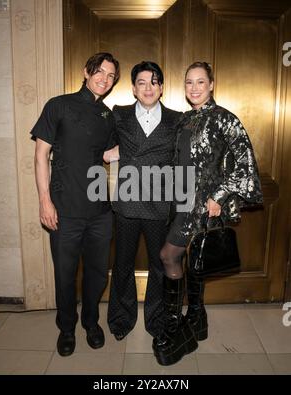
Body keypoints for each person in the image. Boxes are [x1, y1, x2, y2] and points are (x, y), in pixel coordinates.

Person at [153, 61, 263, 365]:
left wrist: (219, 195)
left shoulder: (225, 119)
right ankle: (197, 318)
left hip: (203, 203)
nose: (194, 88)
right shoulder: (186, 119)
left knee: (168, 255)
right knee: (193, 261)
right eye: (189, 82)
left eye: (200, 82)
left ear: (211, 84)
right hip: (181, 199)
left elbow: (245, 163)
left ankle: (174, 326)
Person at [31, 52, 120, 356]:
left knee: (97, 274)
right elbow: (41, 154)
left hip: (99, 213)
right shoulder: (59, 105)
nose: (104, 79)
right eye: (100, 72)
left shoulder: (108, 116)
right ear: (86, 71)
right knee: (65, 274)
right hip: (65, 210)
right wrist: (45, 200)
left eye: (110, 76)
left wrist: (145, 147)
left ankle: (91, 323)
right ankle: (67, 328)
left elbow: (107, 155)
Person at [104, 61, 189, 343]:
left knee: (158, 266)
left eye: (154, 82)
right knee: (123, 264)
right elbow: (101, 145)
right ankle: (120, 319)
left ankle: (156, 321)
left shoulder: (178, 119)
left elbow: (183, 163)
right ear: (133, 89)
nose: (148, 87)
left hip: (159, 207)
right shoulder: (119, 115)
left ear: (162, 88)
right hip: (126, 206)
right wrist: (110, 153)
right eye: (142, 82)